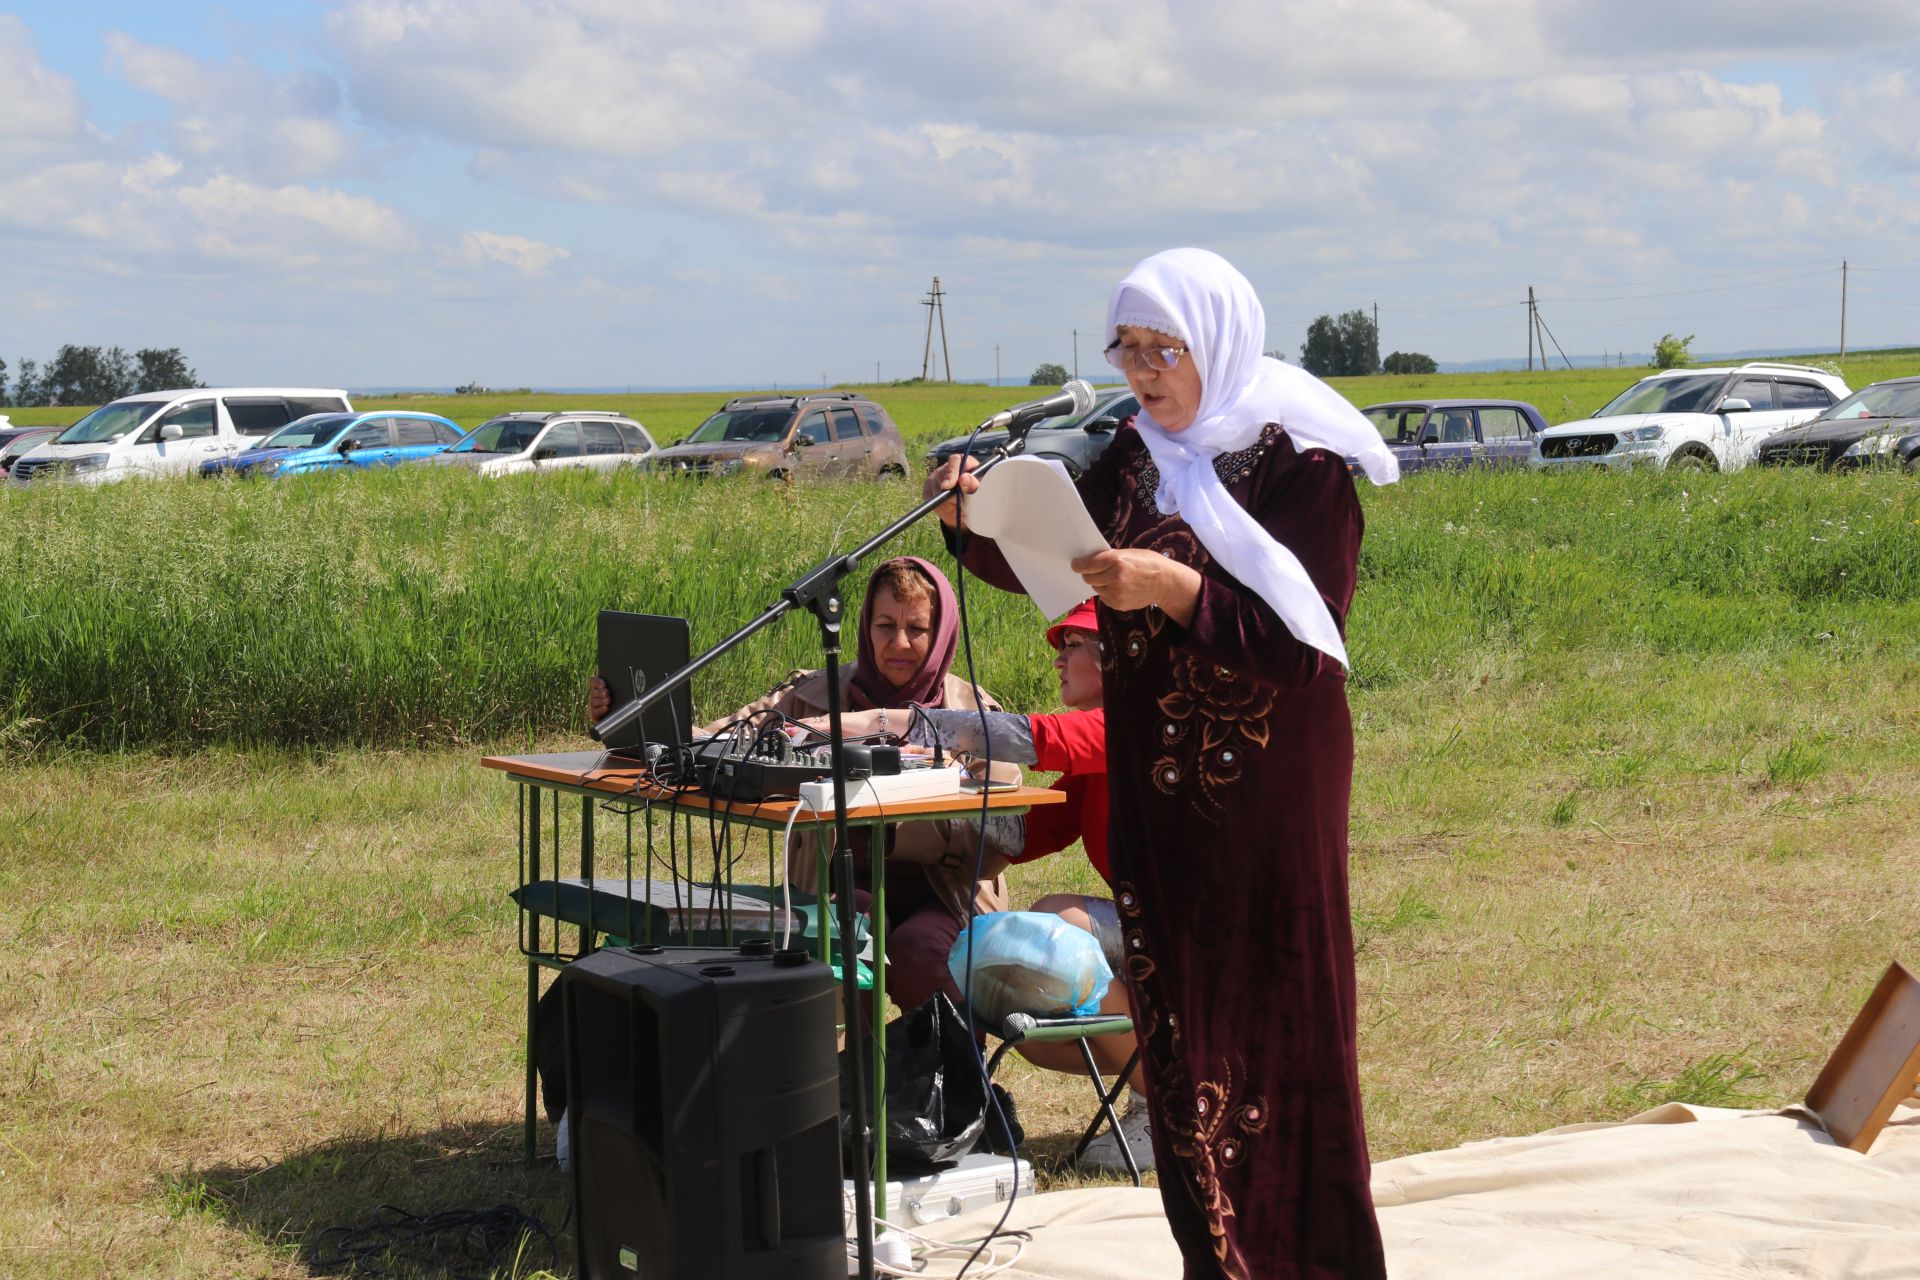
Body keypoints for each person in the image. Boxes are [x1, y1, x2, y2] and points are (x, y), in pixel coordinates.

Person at [925, 248, 1399, 1279]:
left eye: (1162, 348)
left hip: (1266, 801)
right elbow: (1061, 552)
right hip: (1160, 799)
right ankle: (1218, 1255)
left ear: (1218, 343)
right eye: (1126, 348)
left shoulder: (1304, 468)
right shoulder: (1136, 452)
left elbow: (1302, 649)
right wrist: (971, 523)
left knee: (1275, 1029)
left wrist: (1174, 589)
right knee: (1183, 1043)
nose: (1142, 370)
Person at [586, 555, 1016, 1013]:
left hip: (943, 892)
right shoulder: (815, 694)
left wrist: (898, 825)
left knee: (919, 955)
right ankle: (854, 1075)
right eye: (885, 625)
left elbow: (1003, 838)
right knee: (842, 942)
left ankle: (951, 1080)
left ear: (943, 632)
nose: (900, 642)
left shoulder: (977, 717)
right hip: (844, 884)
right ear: (864, 628)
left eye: (917, 628)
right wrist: (634, 717)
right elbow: (727, 735)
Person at [809, 597, 1150, 1172]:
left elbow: (1036, 738)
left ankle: (1162, 1104)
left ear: (1115, 657)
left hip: (1204, 932)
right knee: (1025, 994)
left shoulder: (1130, 720)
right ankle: (1160, 1083)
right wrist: (929, 790)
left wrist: (900, 725)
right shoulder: (1100, 753)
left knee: (1053, 932)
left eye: (1073, 646)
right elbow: (1023, 836)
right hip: (1143, 919)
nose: (1058, 661)